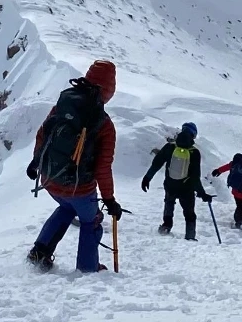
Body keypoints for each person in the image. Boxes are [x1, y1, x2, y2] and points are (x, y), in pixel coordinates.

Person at [25, 60, 123, 273]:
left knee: (66, 208)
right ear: (109, 91)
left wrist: (36, 162)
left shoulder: (63, 104)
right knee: (92, 220)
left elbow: (43, 134)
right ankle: (88, 268)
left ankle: (39, 253)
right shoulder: (104, 124)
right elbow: (103, 168)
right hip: (79, 188)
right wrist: (109, 199)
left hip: (50, 180)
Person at [141, 121, 213, 240]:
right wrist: (202, 193)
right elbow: (195, 177)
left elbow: (157, 163)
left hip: (170, 184)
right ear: (193, 135)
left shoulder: (170, 147)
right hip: (187, 189)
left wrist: (147, 178)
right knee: (189, 214)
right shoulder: (194, 153)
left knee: (169, 204)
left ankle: (166, 226)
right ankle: (190, 236)